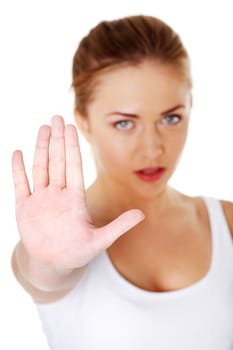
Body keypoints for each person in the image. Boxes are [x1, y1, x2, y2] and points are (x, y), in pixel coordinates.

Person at [11, 14, 233, 350]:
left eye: (171, 118)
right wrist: (47, 263)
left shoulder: (227, 223)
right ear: (84, 120)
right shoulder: (57, 239)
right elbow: (42, 273)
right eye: (124, 124)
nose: (153, 147)